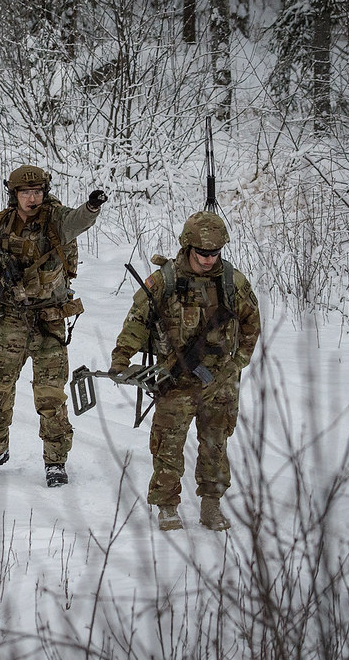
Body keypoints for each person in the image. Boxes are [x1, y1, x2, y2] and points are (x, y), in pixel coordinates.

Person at [108, 211, 261, 531]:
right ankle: (167, 505)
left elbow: (251, 324)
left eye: (215, 253)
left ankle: (211, 505)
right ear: (188, 246)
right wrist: (121, 358)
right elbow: (137, 321)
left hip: (218, 380)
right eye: (203, 253)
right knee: (167, 443)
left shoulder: (233, 282)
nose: (209, 259)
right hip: (174, 378)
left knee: (215, 444)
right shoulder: (164, 279)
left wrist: (238, 362)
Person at [0, 165, 107, 487]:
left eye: (38, 191)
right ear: (13, 195)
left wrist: (92, 207)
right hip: (12, 321)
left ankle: (55, 461)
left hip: (50, 322)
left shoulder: (56, 220)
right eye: (26, 192)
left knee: (51, 396)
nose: (33, 198)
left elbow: (78, 220)